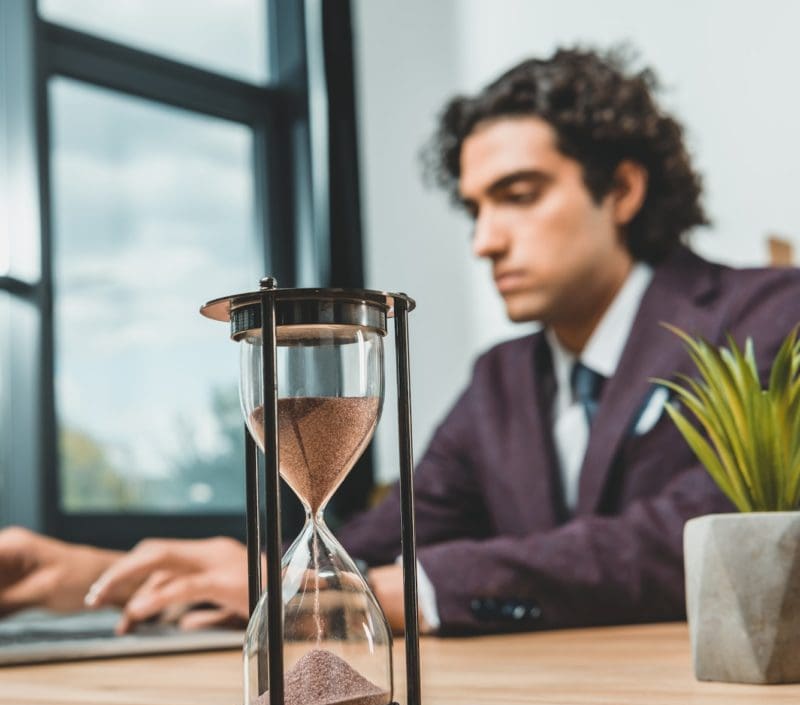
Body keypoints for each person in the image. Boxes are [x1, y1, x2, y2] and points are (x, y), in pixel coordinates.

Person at [2, 47, 799, 635]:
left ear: (622, 188)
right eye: (474, 208)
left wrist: (386, 594)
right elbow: (369, 541)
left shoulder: (770, 316)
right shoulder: (503, 381)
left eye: (518, 197)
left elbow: (703, 540)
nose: (485, 240)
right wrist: (91, 575)